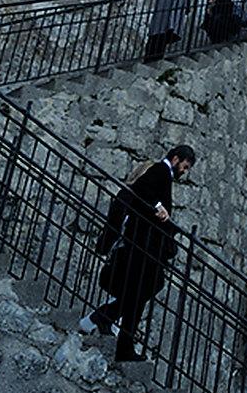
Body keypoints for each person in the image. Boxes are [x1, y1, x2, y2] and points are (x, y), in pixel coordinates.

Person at [79, 144, 197, 361]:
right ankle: (117, 336)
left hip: (144, 248)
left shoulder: (163, 174)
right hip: (142, 248)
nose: (184, 171)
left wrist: (160, 210)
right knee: (141, 293)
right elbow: (141, 193)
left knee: (140, 294)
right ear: (177, 158)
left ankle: (107, 318)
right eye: (185, 166)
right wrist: (158, 208)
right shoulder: (161, 171)